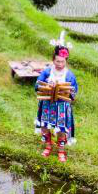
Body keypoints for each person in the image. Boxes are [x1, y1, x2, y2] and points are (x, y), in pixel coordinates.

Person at [36, 33, 79, 163]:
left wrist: (68, 93)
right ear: (53, 60)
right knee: (45, 126)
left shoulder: (69, 75)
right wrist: (46, 87)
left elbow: (74, 91)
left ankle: (61, 151)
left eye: (62, 61)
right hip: (47, 104)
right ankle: (48, 146)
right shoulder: (47, 72)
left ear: (66, 61)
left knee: (61, 129)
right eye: (57, 61)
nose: (60, 64)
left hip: (62, 106)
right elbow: (37, 84)